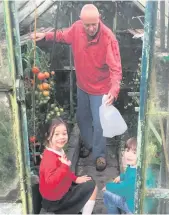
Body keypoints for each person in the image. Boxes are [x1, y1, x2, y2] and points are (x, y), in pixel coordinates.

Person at [31, 4, 122, 171]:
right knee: (82, 119)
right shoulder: (77, 29)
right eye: (87, 25)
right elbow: (63, 36)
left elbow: (116, 69)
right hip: (83, 87)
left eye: (94, 24)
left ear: (98, 20)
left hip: (101, 89)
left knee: (100, 123)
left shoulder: (108, 38)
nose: (91, 28)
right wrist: (46, 35)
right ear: (82, 23)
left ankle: (100, 156)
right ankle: (92, 146)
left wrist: (113, 91)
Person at [39, 117, 98, 214]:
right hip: (56, 201)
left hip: (60, 192)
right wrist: (63, 166)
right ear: (48, 136)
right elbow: (50, 182)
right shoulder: (49, 158)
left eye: (64, 133)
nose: (61, 137)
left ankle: (81, 208)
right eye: (57, 134)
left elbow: (65, 172)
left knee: (88, 180)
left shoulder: (57, 151)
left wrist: (75, 179)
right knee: (92, 186)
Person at [102, 137, 156, 214]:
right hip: (142, 204)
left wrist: (108, 186)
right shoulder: (137, 166)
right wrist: (121, 176)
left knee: (107, 194)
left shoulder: (136, 175)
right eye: (127, 150)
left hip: (134, 208)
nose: (129, 155)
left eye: (134, 153)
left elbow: (124, 189)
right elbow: (128, 175)